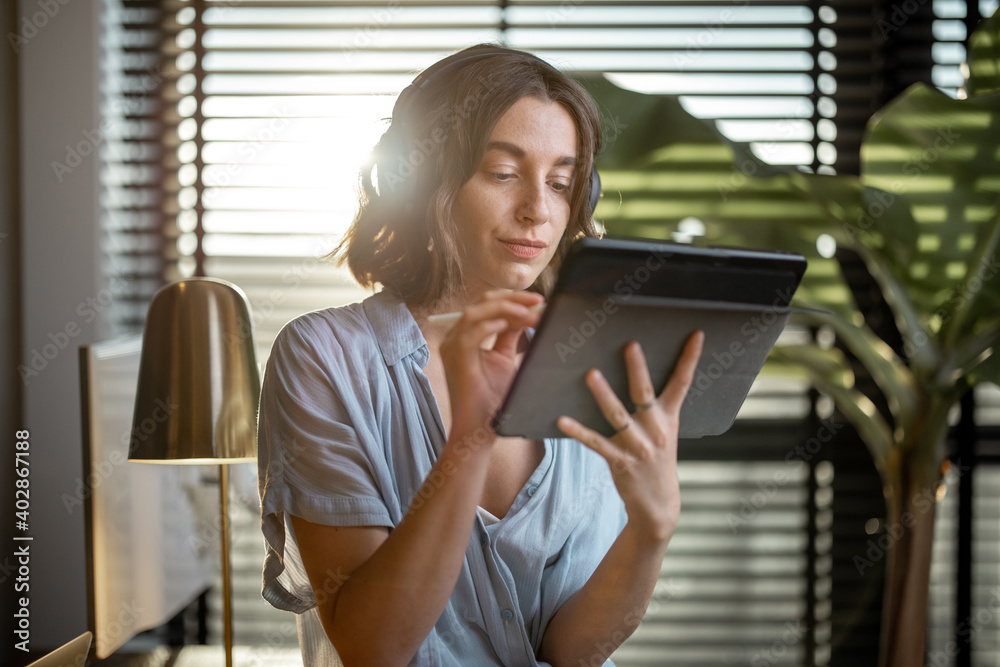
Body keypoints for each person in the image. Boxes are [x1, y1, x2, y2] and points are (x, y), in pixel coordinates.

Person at [256, 44, 703, 666]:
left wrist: (651, 533)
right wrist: (470, 439)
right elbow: (372, 646)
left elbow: (571, 651)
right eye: (502, 173)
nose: (538, 211)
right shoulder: (326, 358)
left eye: (561, 183)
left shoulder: (594, 363)